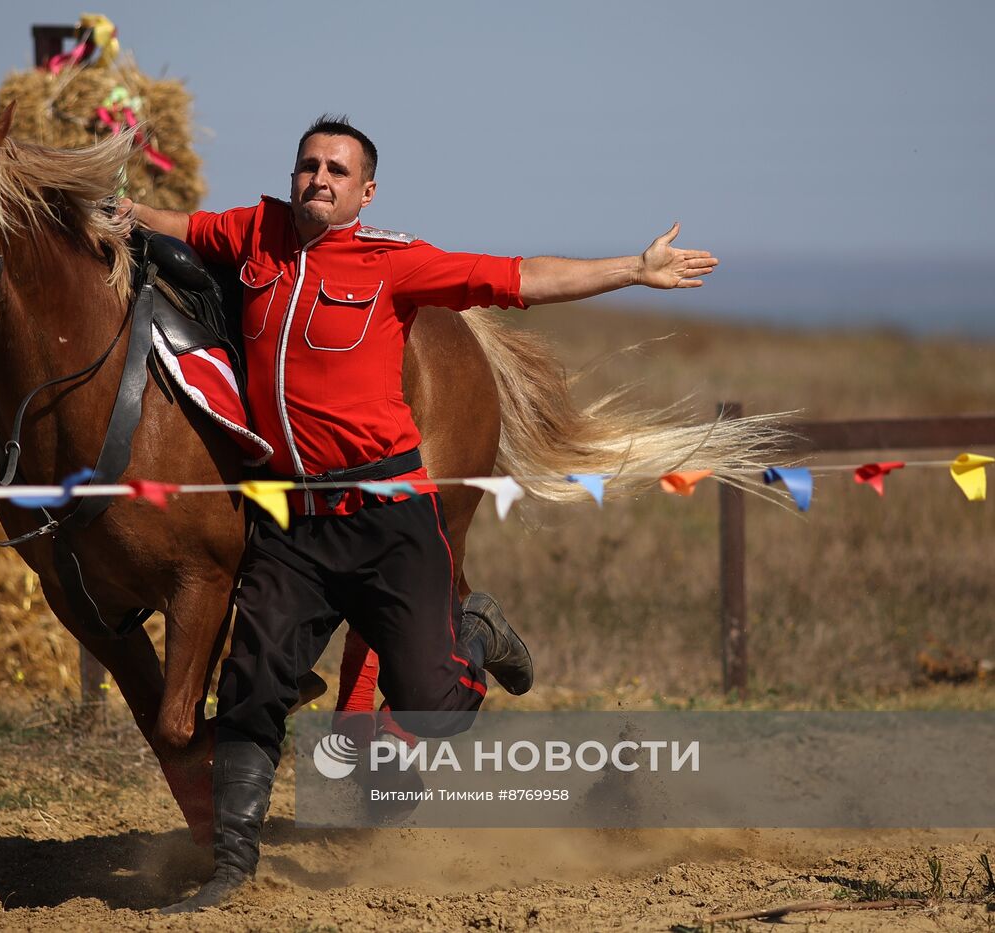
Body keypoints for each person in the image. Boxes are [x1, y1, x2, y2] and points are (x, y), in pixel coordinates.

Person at [120, 115, 717, 912]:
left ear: (365, 191)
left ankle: (477, 631)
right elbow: (168, 223)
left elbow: (522, 277)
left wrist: (634, 269)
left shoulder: (394, 262)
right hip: (295, 524)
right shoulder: (252, 233)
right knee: (252, 685)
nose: (318, 180)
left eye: (337, 170)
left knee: (432, 710)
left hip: (391, 518)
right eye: (308, 166)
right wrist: (108, 210)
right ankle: (231, 865)